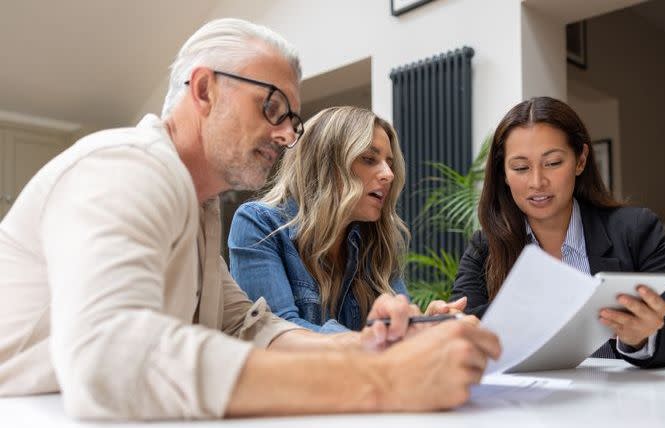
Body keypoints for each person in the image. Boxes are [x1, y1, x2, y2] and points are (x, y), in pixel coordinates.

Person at [0, 18, 500, 420]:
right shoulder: (126, 166)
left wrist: (372, 346)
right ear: (204, 90)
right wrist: (384, 380)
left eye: (292, 120)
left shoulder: (200, 208)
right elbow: (110, 358)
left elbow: (249, 326)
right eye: (272, 108)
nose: (286, 136)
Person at [450, 96, 665, 368]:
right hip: (527, 404)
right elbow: (458, 331)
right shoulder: (485, 246)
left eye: (553, 163)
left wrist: (644, 338)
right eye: (521, 168)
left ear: (580, 160)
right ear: (504, 173)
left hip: (621, 405)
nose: (537, 182)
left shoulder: (635, 230)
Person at [228, 106, 464, 332]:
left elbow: (396, 332)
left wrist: (422, 326)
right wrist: (371, 341)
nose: (389, 175)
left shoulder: (376, 240)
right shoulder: (259, 224)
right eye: (369, 159)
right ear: (326, 165)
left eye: (390, 164)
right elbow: (278, 335)